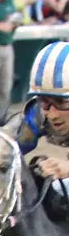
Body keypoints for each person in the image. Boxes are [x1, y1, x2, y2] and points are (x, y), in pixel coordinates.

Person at [15, 40, 69, 178]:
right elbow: (11, 149)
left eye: (62, 102)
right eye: (45, 101)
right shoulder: (37, 114)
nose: (52, 115)